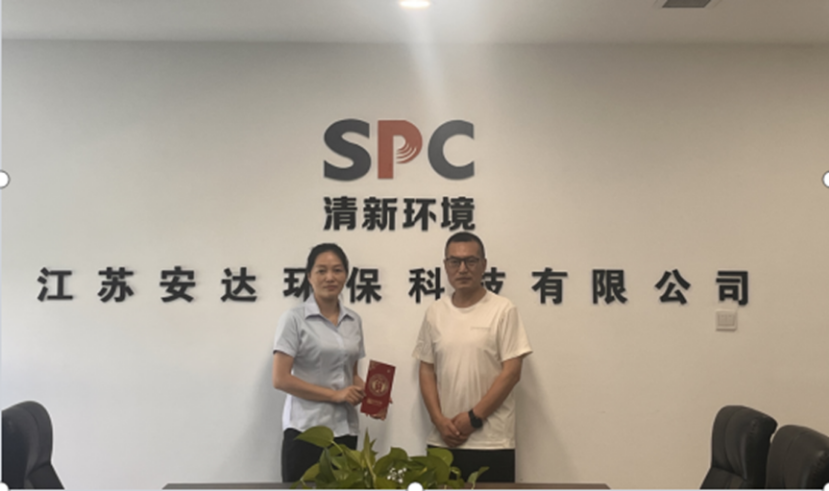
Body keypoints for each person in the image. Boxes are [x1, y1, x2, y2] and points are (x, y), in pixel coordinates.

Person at [413, 232, 532, 483]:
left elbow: (512, 373)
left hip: (492, 442)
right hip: (443, 441)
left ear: (484, 265)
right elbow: (426, 369)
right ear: (446, 266)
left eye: (471, 261)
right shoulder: (435, 312)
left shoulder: (503, 309)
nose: (463, 269)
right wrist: (438, 421)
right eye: (455, 262)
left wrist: (474, 418)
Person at [272, 243, 366, 482]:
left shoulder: (354, 321)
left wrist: (371, 394)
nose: (330, 277)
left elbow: (351, 373)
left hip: (345, 428)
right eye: (321, 271)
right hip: (306, 430)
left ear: (346, 275)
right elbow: (280, 379)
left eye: (337, 270)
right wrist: (334, 395)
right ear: (309, 276)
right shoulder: (294, 319)